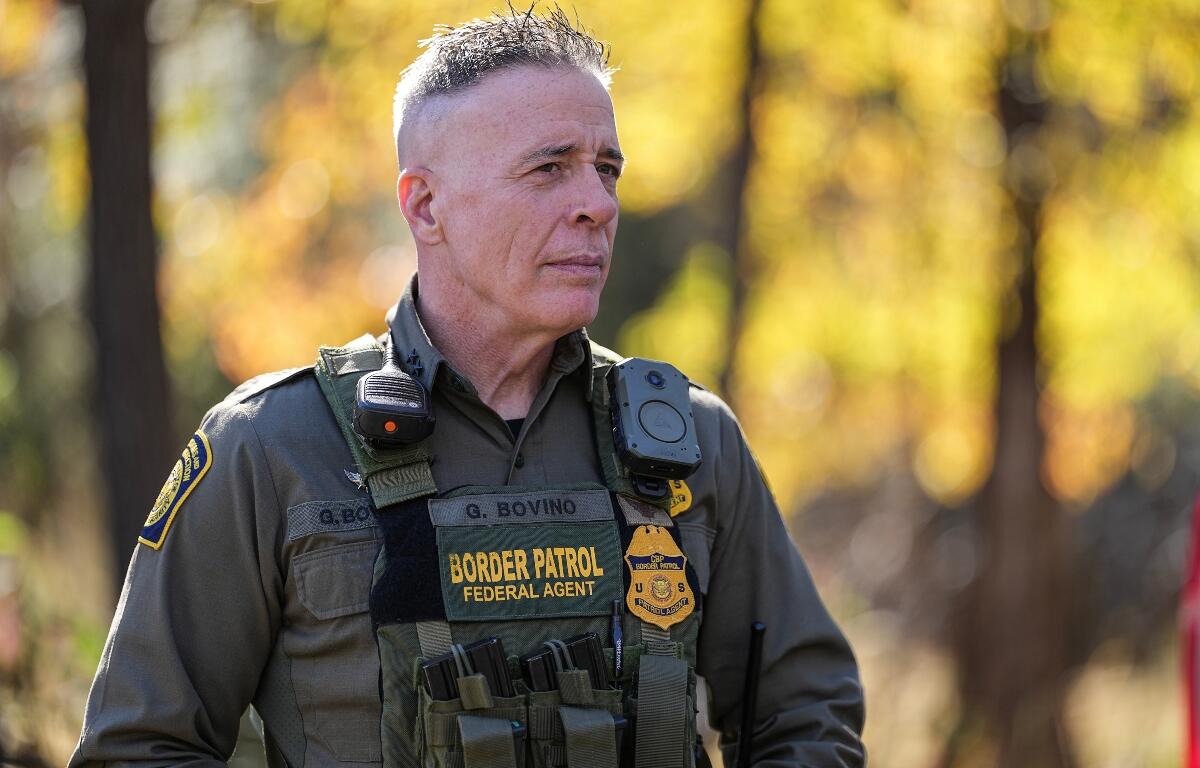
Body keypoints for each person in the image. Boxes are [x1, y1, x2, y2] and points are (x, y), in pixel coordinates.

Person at [70, 7, 865, 768]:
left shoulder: (687, 438)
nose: (596, 204)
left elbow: (805, 712)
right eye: (550, 168)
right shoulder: (271, 446)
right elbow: (140, 747)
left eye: (607, 169)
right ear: (426, 206)